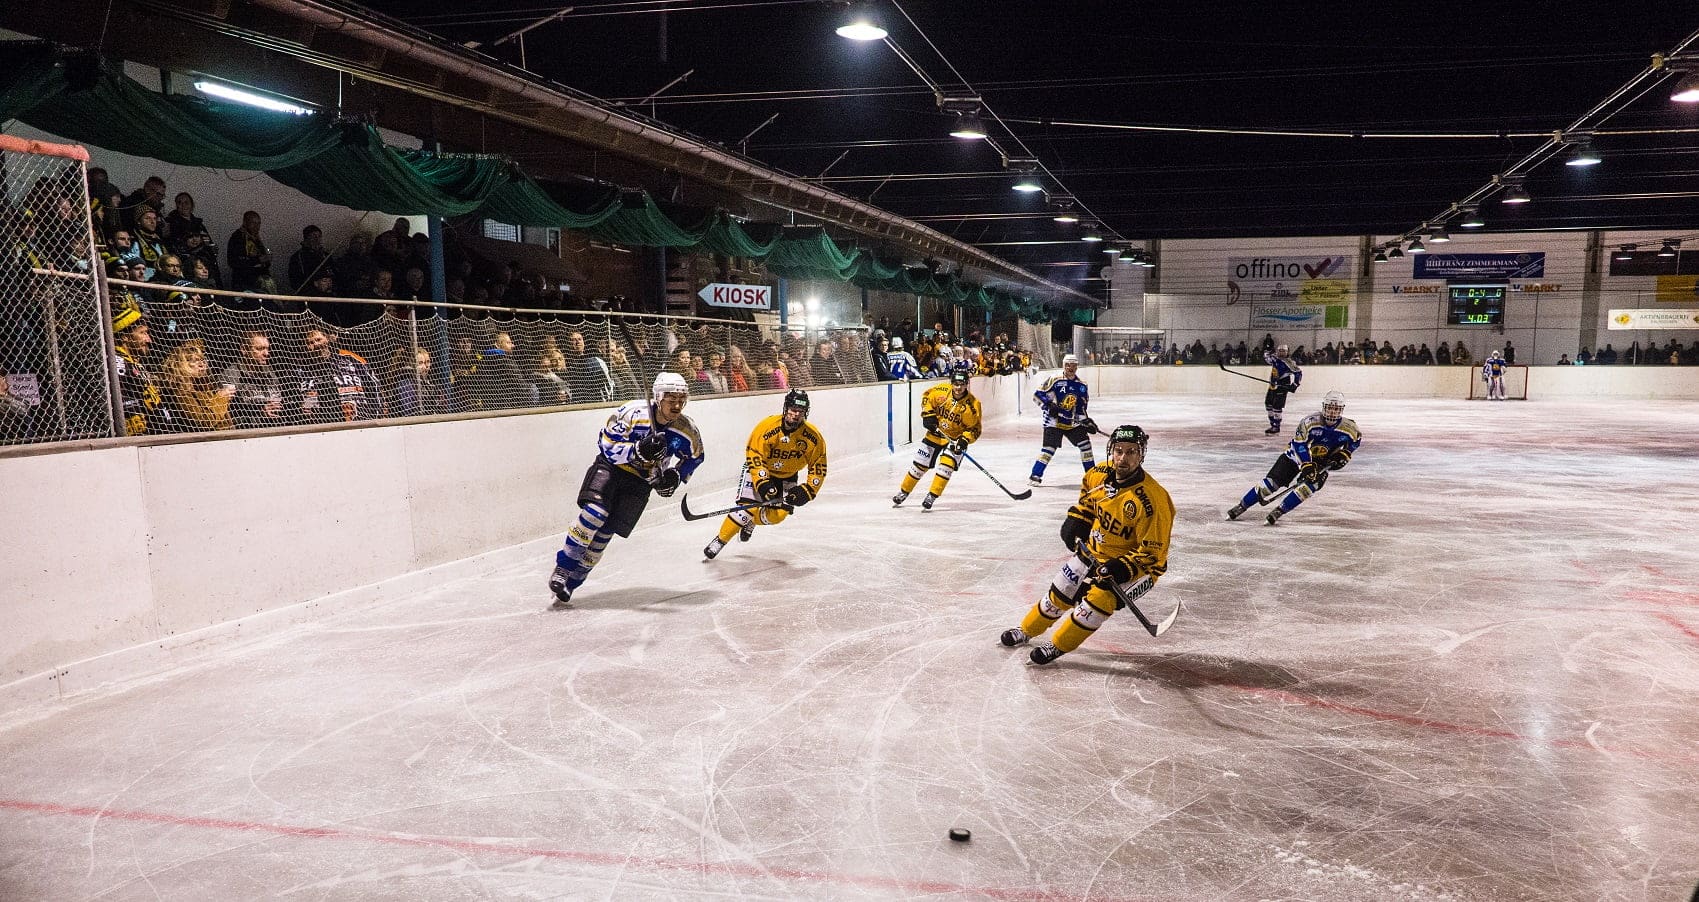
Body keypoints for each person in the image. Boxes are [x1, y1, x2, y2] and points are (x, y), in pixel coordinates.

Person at [999, 425, 1174, 665]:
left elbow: (1154, 553)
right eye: (1119, 451)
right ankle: (1027, 630)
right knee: (1060, 592)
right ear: (1111, 451)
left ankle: (1058, 645)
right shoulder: (1098, 474)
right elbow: (1088, 503)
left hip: (1141, 569)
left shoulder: (1153, 501)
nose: (1123, 458)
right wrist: (1077, 520)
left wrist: (1121, 568)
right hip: (1094, 551)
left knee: (1097, 603)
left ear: (1141, 454)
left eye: (1131, 452)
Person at [548, 372, 705, 607]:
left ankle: (573, 582)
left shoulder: (686, 429)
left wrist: (674, 476)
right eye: (671, 399)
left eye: (681, 400)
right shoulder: (633, 413)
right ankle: (563, 568)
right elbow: (606, 442)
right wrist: (636, 450)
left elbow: (696, 456)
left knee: (605, 532)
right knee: (595, 514)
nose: (677, 405)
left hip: (641, 481)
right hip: (612, 469)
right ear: (658, 398)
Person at [703, 390, 828, 560]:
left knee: (778, 516)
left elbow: (819, 465)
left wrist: (808, 490)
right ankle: (720, 540)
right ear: (785, 408)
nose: (796, 414)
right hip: (761, 470)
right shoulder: (767, 427)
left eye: (801, 411)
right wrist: (762, 481)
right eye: (793, 409)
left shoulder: (813, 437)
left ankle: (752, 521)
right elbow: (754, 453)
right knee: (747, 509)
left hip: (787, 477)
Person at [1227, 391, 1361, 526]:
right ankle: (1242, 505)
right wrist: (1306, 464)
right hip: (1294, 457)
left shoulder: (1349, 428)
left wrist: (1345, 453)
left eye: (1336, 409)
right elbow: (1299, 444)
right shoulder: (1309, 422)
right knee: (1270, 484)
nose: (1332, 412)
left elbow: (1356, 441)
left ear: (1341, 410)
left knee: (1308, 488)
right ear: (1323, 407)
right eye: (1330, 408)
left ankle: (1280, 510)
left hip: (1320, 463)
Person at [892, 368, 982, 511]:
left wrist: (964, 440)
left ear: (967, 384)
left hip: (955, 440)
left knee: (946, 467)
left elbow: (975, 428)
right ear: (951, 383)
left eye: (962, 384)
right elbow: (927, 398)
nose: (958, 387)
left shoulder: (973, 405)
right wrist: (928, 415)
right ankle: (904, 491)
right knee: (919, 465)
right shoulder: (941, 391)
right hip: (935, 434)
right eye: (955, 384)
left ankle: (932, 496)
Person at [1028, 353, 1097, 486]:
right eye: (1068, 365)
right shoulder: (1055, 379)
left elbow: (1081, 408)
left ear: (1077, 366)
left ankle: (1093, 477)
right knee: (1049, 449)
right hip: (1053, 422)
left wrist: (1086, 421)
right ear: (1063, 365)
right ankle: (1035, 475)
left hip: (1072, 423)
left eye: (1073, 365)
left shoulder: (1082, 385)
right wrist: (1048, 405)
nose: (1070, 367)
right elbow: (1037, 395)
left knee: (1086, 446)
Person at [1262, 343, 1302, 435]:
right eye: (1280, 350)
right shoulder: (1275, 358)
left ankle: (1276, 427)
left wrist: (1295, 384)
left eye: (1283, 351)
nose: (1281, 352)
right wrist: (1267, 351)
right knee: (1268, 405)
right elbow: (1267, 359)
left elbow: (1298, 373)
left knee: (1277, 407)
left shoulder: (1289, 362)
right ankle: (1273, 425)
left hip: (1282, 387)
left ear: (1287, 352)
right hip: (1272, 386)